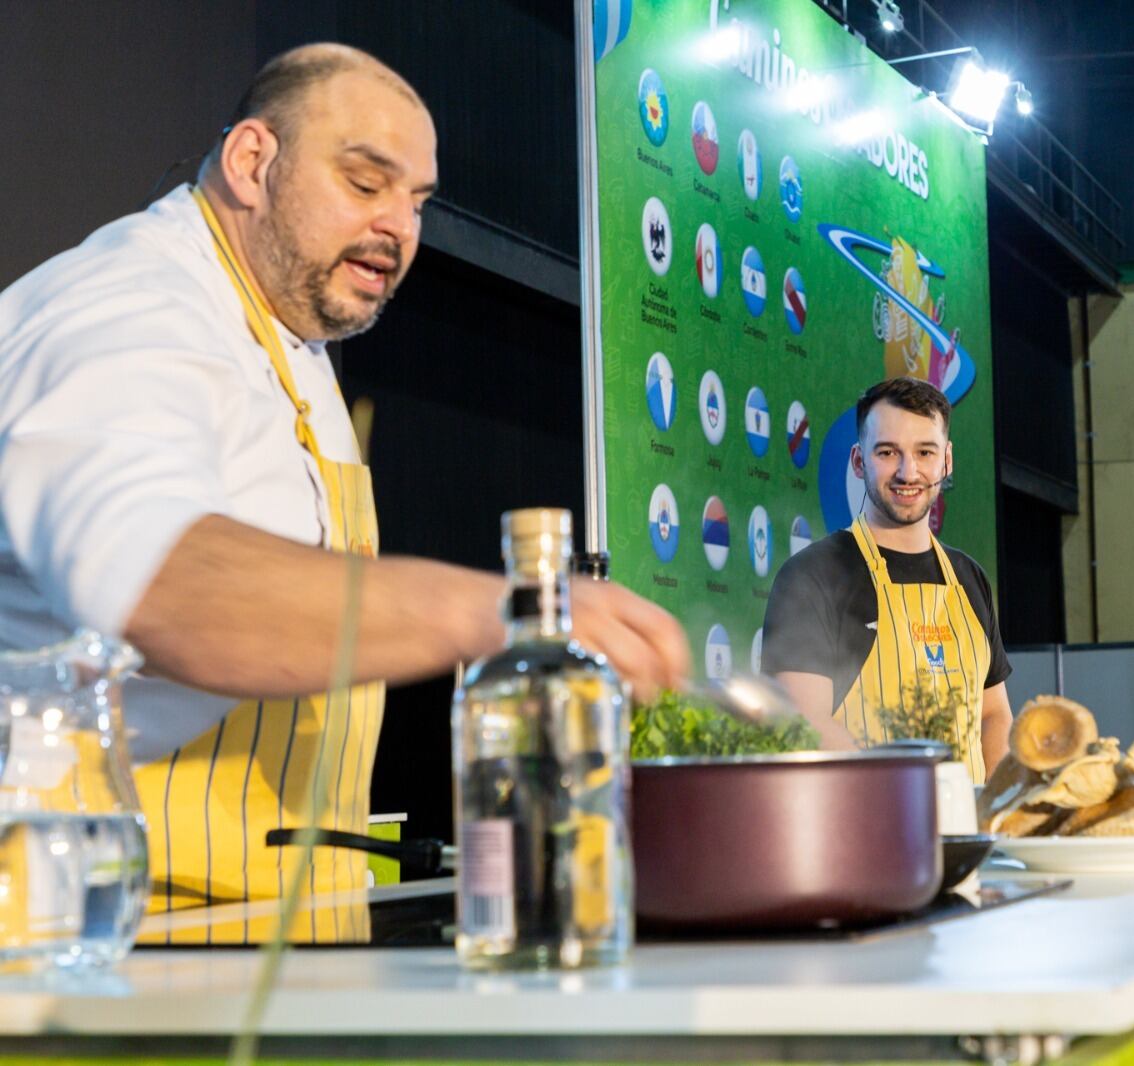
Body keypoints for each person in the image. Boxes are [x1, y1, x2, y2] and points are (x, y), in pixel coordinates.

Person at [0, 45, 688, 924]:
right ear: (254, 162)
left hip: (269, 921)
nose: (399, 228)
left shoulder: (289, 333)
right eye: (366, 184)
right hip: (109, 930)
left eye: (417, 202)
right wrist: (507, 612)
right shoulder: (130, 311)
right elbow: (162, 584)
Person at [760, 377, 1012, 782]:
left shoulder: (969, 579)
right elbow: (802, 723)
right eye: (887, 452)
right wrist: (899, 805)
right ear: (859, 461)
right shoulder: (813, 576)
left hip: (968, 835)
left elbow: (994, 713)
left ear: (946, 461)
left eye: (924, 452)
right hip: (863, 830)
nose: (907, 471)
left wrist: (1000, 810)